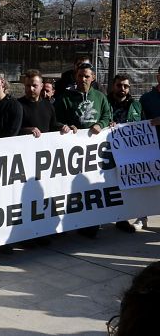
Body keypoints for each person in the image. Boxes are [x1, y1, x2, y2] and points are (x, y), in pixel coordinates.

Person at [54, 65, 112, 239]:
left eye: (86, 76)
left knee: (90, 188)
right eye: (80, 76)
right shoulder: (65, 98)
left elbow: (107, 116)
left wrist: (100, 125)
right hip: (71, 154)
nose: (83, 79)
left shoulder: (100, 97)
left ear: (93, 77)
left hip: (94, 155)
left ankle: (90, 223)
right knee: (69, 189)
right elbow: (56, 120)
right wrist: (65, 127)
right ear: (75, 77)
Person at [108, 74, 146, 233]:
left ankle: (123, 218)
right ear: (113, 86)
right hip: (108, 153)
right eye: (119, 85)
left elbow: (143, 126)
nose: (122, 89)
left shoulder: (136, 106)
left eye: (125, 86)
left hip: (129, 154)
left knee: (127, 186)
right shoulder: (106, 102)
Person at [18, 70, 69, 137]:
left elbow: (52, 125)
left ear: (41, 86)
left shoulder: (48, 105)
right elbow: (10, 130)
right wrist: (26, 130)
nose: (31, 89)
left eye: (34, 85)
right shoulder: (17, 105)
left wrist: (64, 127)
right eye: (28, 85)